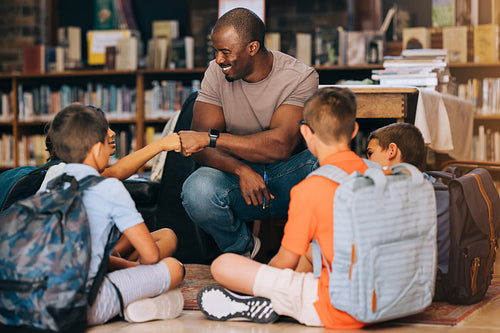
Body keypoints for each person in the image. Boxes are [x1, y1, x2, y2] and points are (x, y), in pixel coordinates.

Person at [196, 87, 369, 329]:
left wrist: (262, 281)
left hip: (339, 309)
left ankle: (268, 302)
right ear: (354, 130)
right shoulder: (378, 174)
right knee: (311, 250)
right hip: (385, 299)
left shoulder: (313, 187)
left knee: (224, 265)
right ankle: (281, 300)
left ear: (306, 132)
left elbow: (285, 263)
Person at [178, 7, 319, 258]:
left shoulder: (300, 77)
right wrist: (240, 169)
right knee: (196, 190)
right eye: (216, 51)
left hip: (289, 173)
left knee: (325, 167)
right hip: (237, 176)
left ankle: (311, 257)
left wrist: (214, 139)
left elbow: (280, 145)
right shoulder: (216, 72)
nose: (219, 59)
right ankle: (243, 252)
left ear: (252, 48)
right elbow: (197, 145)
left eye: (226, 52)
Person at [45, 104, 185, 325]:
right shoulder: (109, 187)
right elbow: (151, 256)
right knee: (174, 268)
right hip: (81, 308)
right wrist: (138, 273)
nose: (112, 134)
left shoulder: (51, 185)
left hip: (41, 301)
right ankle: (132, 304)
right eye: (105, 133)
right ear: (97, 149)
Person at [39, 104, 180, 267]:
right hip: (80, 265)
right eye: (104, 129)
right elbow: (114, 173)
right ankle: (129, 274)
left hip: (78, 260)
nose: (112, 133)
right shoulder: (62, 173)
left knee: (165, 236)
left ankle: (126, 271)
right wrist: (135, 269)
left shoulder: (56, 180)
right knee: (174, 268)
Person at [366, 122, 450, 290]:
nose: (368, 161)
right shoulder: (434, 184)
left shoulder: (397, 192)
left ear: (392, 150)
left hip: (422, 281)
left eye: (370, 153)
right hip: (445, 274)